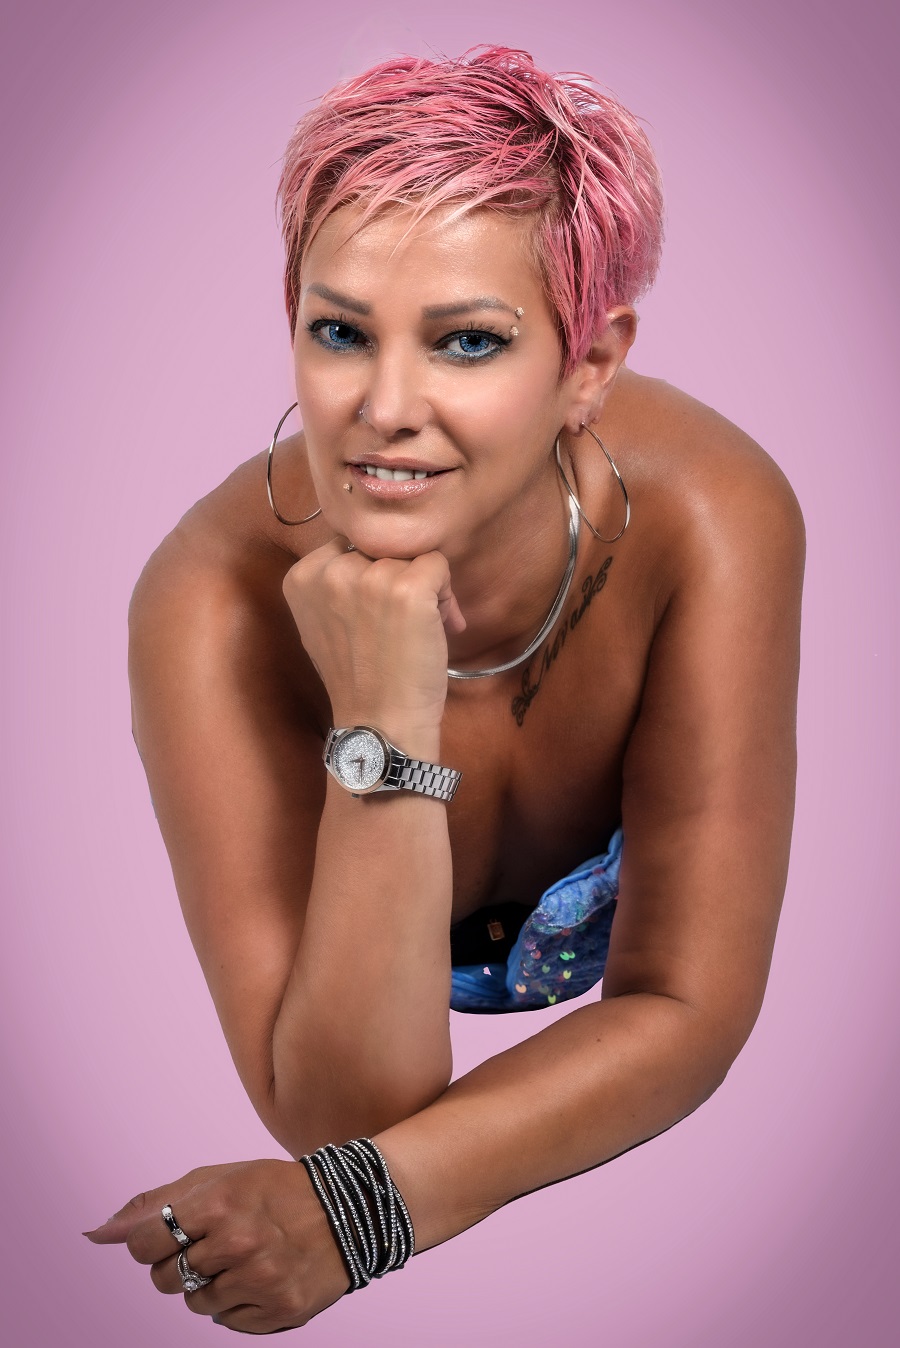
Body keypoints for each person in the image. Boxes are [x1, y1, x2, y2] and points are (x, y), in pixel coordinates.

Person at [84, 45, 806, 1332]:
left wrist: (362, 1213)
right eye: (341, 332)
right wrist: (382, 720)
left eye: (469, 341)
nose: (386, 408)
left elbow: (686, 1002)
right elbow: (343, 1115)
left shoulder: (710, 516)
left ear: (590, 364)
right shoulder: (206, 605)